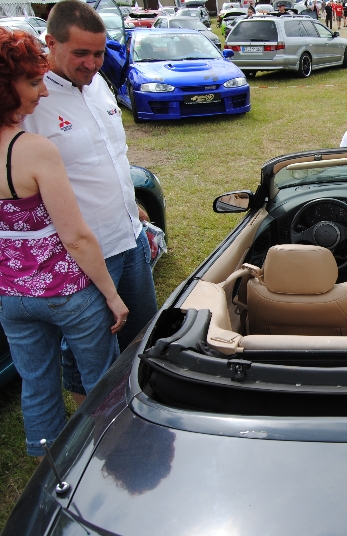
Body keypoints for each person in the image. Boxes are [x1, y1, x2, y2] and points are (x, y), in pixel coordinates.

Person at [0, 29, 128, 458]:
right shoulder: (32, 149)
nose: (43, 92)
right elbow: (75, 236)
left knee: (36, 384)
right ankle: (105, 457)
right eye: (33, 82)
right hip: (66, 292)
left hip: (12, 297)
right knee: (102, 381)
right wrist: (111, 295)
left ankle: (50, 470)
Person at [22, 0, 158, 405]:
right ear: (51, 43)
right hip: (83, 256)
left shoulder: (97, 84)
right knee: (90, 361)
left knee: (143, 336)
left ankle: (139, 408)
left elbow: (112, 154)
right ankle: (93, 433)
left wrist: (130, 203)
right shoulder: (33, 101)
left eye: (99, 53)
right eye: (81, 53)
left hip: (130, 238)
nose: (92, 63)